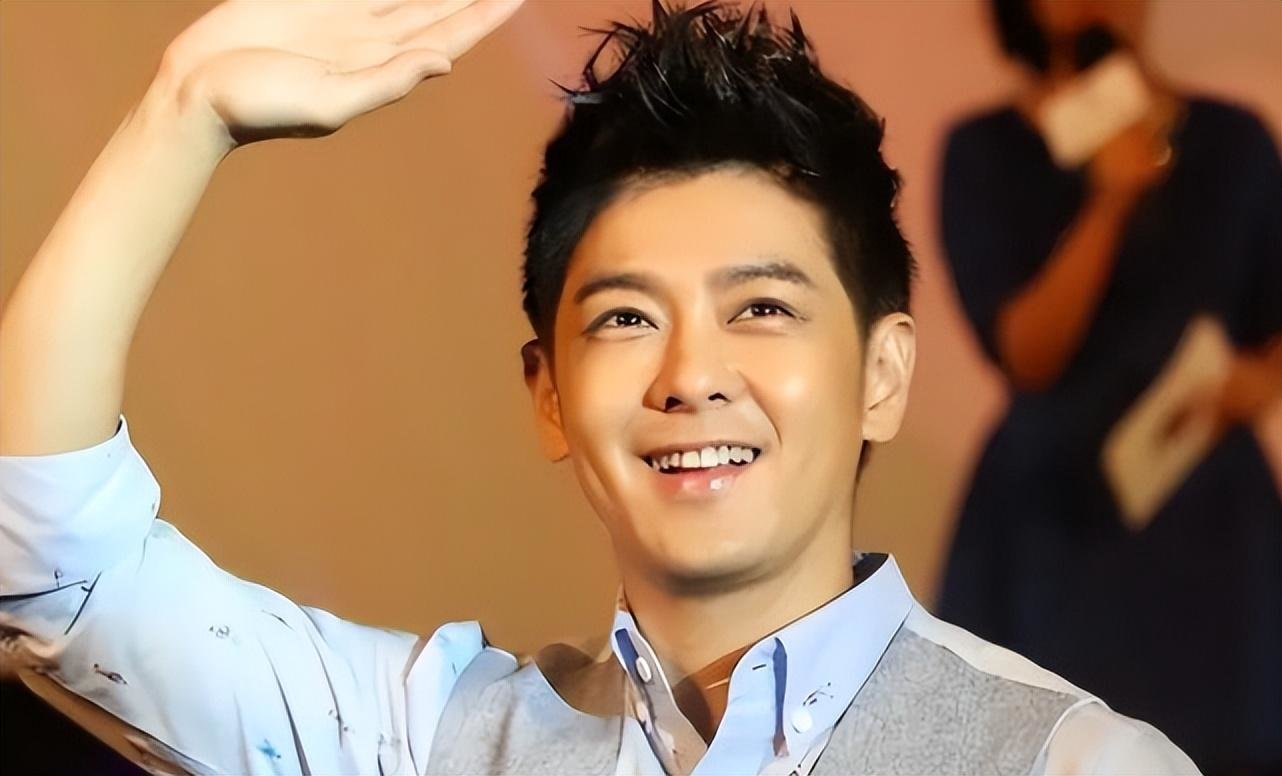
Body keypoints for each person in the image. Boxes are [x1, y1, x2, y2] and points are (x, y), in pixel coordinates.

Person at [0, 1, 1196, 774]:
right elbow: (52, 564)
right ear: (549, 394)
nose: (690, 374)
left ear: (882, 373)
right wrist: (183, 110)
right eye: (626, 317)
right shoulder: (433, 736)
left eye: (760, 308)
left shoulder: (1071, 761)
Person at [936, 1, 1282, 773]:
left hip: (1208, 516)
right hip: (1055, 523)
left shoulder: (1234, 142)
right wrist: (1111, 199)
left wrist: (1252, 386)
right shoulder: (985, 151)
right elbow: (1026, 352)